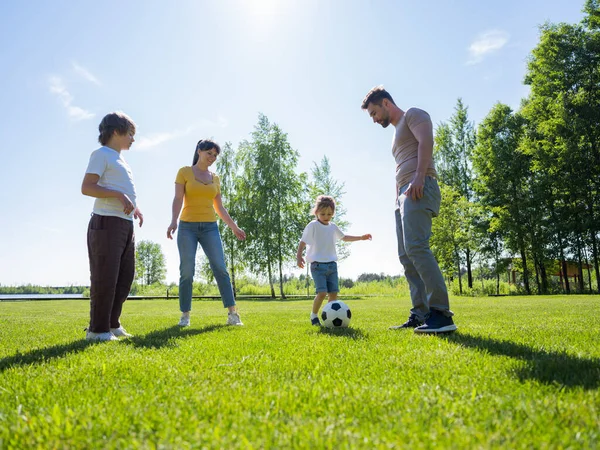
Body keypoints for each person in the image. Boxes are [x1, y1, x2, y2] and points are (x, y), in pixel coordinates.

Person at [361, 86, 457, 333]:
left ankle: (441, 314)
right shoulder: (395, 135)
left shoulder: (413, 115)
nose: (374, 119)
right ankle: (421, 313)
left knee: (417, 247)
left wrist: (419, 176)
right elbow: (398, 169)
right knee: (406, 255)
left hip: (420, 186)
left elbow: (427, 142)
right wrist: (397, 200)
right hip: (404, 194)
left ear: (385, 103)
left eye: (373, 113)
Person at [167, 139, 246, 327]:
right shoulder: (184, 172)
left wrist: (234, 227)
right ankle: (185, 315)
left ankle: (233, 314)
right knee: (187, 271)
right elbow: (178, 198)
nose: (212, 157)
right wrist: (173, 221)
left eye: (215, 155)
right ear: (199, 151)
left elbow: (220, 207)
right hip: (187, 227)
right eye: (209, 153)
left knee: (220, 268)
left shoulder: (215, 178)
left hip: (210, 227)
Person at [81, 111, 143, 341]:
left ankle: (112, 323)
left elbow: (123, 192)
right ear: (116, 131)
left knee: (125, 277)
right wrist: (119, 195)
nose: (133, 139)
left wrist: (134, 208)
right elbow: (87, 187)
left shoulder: (120, 159)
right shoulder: (101, 154)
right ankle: (97, 330)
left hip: (125, 224)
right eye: (130, 134)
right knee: (105, 276)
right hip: (106, 222)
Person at [296, 195, 372, 326]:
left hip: (332, 265)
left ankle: (331, 318)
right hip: (317, 265)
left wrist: (361, 237)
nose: (326, 216)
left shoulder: (332, 227)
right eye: (323, 214)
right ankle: (314, 315)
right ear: (316, 212)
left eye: (329, 214)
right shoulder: (312, 226)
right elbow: (303, 242)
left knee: (333, 294)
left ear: (333, 213)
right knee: (322, 292)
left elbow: (344, 237)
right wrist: (299, 256)